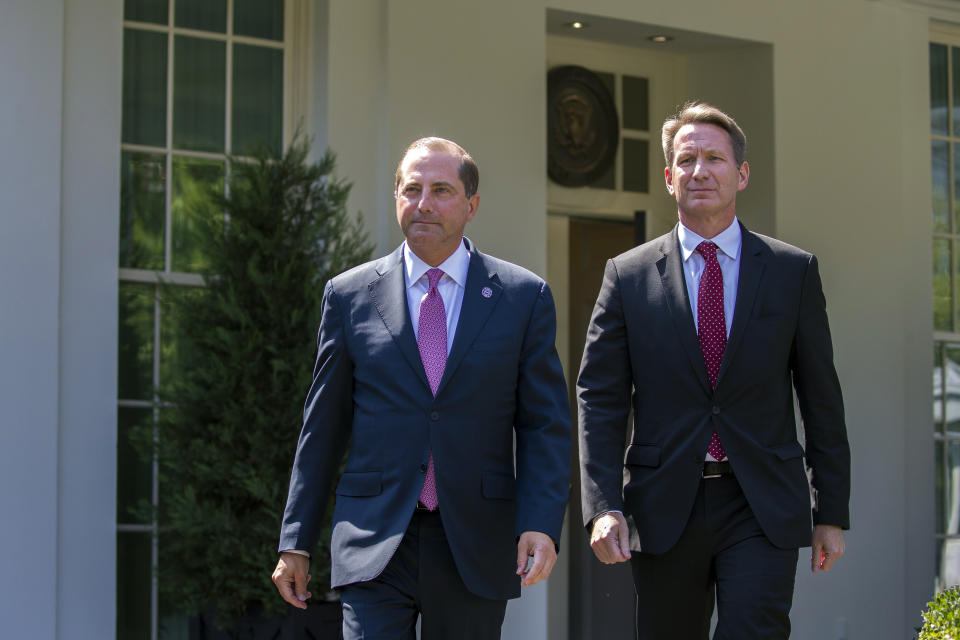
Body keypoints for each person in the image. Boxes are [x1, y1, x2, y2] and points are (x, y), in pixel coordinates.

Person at [271, 137, 571, 639]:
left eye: (441, 190)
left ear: (471, 205)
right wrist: (295, 539)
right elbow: (321, 427)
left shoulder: (522, 297)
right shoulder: (349, 296)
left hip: (474, 539)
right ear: (396, 199)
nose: (424, 203)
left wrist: (540, 522)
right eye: (411, 190)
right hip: (373, 539)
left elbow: (544, 424)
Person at [577, 102, 850, 639]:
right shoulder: (628, 276)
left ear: (741, 174)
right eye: (686, 160)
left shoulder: (792, 272)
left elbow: (821, 396)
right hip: (664, 504)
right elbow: (599, 398)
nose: (699, 171)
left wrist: (831, 510)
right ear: (668, 177)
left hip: (762, 500)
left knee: (755, 629)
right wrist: (603, 505)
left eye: (714, 159)